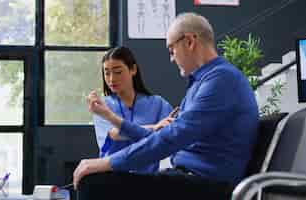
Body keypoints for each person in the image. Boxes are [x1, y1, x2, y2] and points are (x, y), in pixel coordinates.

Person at [73, 13, 259, 200]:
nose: (171, 58)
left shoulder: (221, 80)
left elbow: (173, 137)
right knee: (97, 178)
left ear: (189, 41)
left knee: (94, 183)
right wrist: (107, 157)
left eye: (172, 50)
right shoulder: (204, 82)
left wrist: (109, 162)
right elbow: (162, 135)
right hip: (187, 178)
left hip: (207, 186)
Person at [93, 46, 173, 173]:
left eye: (118, 72)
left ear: (133, 69)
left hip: (149, 180)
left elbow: (170, 135)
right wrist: (154, 128)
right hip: (112, 179)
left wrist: (159, 131)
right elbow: (115, 134)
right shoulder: (102, 106)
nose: (111, 79)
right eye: (107, 73)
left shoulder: (158, 104)